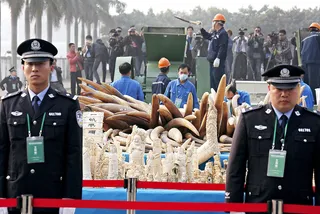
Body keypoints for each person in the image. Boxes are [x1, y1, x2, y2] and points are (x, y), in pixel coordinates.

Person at [0, 38, 83, 214]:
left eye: (40, 63)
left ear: (51, 66)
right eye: (29, 63)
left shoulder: (67, 105)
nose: (35, 69)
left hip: (52, 193)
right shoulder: (8, 104)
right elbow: (2, 150)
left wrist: (70, 198)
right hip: (16, 192)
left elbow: (73, 153)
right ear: (23, 67)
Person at [226, 64, 320, 214]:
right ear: (269, 88)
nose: (284, 94)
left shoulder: (313, 122)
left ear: (298, 89)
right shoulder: (250, 119)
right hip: (259, 206)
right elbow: (236, 168)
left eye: (290, 88)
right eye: (279, 88)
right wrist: (233, 208)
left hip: (298, 206)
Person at [200, 14, 228, 91]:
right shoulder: (215, 33)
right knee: (212, 82)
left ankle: (220, 98)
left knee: (218, 81)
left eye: (213, 22)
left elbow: (223, 47)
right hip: (212, 60)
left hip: (218, 61)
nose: (212, 24)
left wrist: (218, 58)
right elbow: (207, 36)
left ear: (218, 23)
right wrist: (201, 28)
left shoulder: (223, 33)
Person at [301, 22, 320, 101]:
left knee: (308, 82)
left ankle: (309, 100)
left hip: (305, 63)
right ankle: (316, 100)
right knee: (315, 83)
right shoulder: (318, 36)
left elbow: (301, 51)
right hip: (316, 62)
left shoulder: (304, 39)